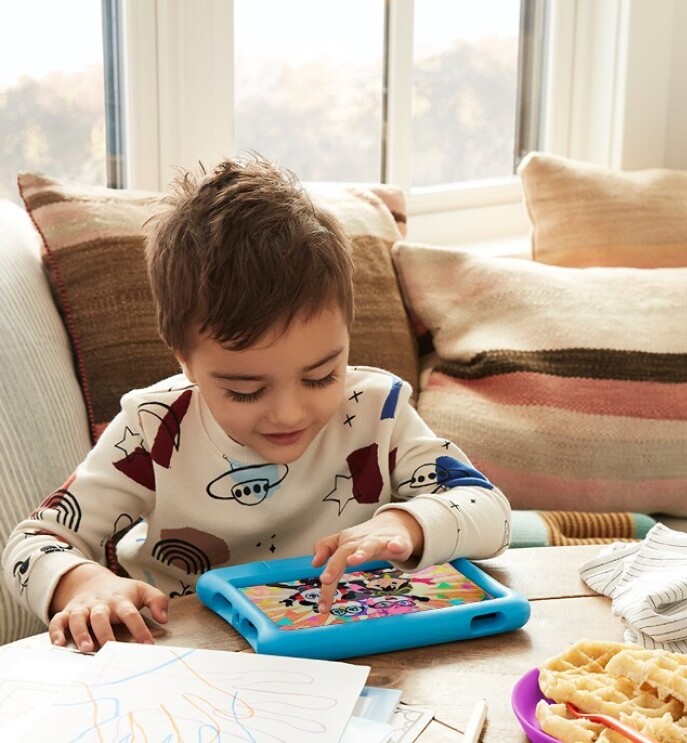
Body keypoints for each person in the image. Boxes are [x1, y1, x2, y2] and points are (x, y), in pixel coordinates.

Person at [2, 155, 512, 651]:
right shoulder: (153, 427)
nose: (289, 413)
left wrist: (403, 524)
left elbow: (490, 510)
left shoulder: (380, 410)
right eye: (245, 390)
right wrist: (83, 584)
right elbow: (31, 543)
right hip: (193, 658)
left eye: (321, 375)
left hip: (357, 646)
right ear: (185, 360)